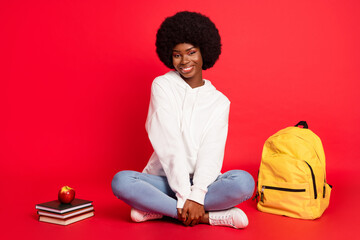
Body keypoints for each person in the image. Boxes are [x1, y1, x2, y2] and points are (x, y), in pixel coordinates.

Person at [111, 11, 255, 229]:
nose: (185, 61)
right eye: (177, 55)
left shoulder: (219, 101)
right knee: (121, 182)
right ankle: (209, 217)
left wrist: (197, 194)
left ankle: (158, 209)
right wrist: (184, 195)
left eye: (191, 52)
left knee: (244, 183)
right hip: (165, 181)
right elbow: (169, 143)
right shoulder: (163, 86)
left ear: (204, 52)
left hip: (205, 184)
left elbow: (211, 152)